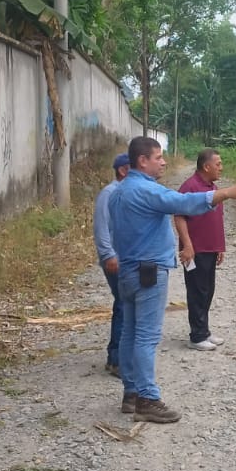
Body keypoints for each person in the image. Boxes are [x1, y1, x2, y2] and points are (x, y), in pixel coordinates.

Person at [110, 136, 236, 423]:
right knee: (146, 336)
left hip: (128, 270)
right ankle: (147, 399)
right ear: (142, 161)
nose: (164, 162)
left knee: (129, 333)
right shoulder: (146, 190)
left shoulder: (119, 191)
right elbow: (183, 203)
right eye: (158, 157)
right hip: (148, 272)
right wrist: (224, 194)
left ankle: (131, 394)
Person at [173, 148, 231, 351]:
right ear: (206, 166)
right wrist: (187, 245)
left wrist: (220, 246)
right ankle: (196, 336)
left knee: (208, 291)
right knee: (197, 292)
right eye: (218, 164)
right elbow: (179, 216)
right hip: (195, 250)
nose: (221, 168)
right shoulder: (190, 187)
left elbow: (216, 220)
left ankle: (204, 330)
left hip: (210, 248)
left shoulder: (213, 189)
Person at [92, 152, 130, 376]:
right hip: (116, 260)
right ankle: (116, 360)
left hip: (127, 259)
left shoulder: (127, 192)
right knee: (124, 305)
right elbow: (101, 228)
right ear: (123, 170)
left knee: (125, 304)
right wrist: (108, 255)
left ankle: (118, 356)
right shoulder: (110, 193)